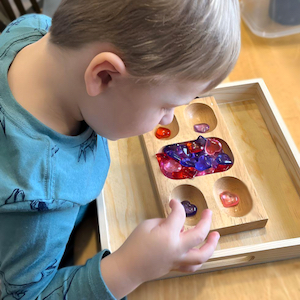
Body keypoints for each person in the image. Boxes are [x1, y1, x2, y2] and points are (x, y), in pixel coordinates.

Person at [0, 0, 241, 299]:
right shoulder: (39, 205)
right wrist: (129, 268)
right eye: (166, 106)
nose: (169, 119)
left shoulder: (33, 30)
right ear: (104, 76)